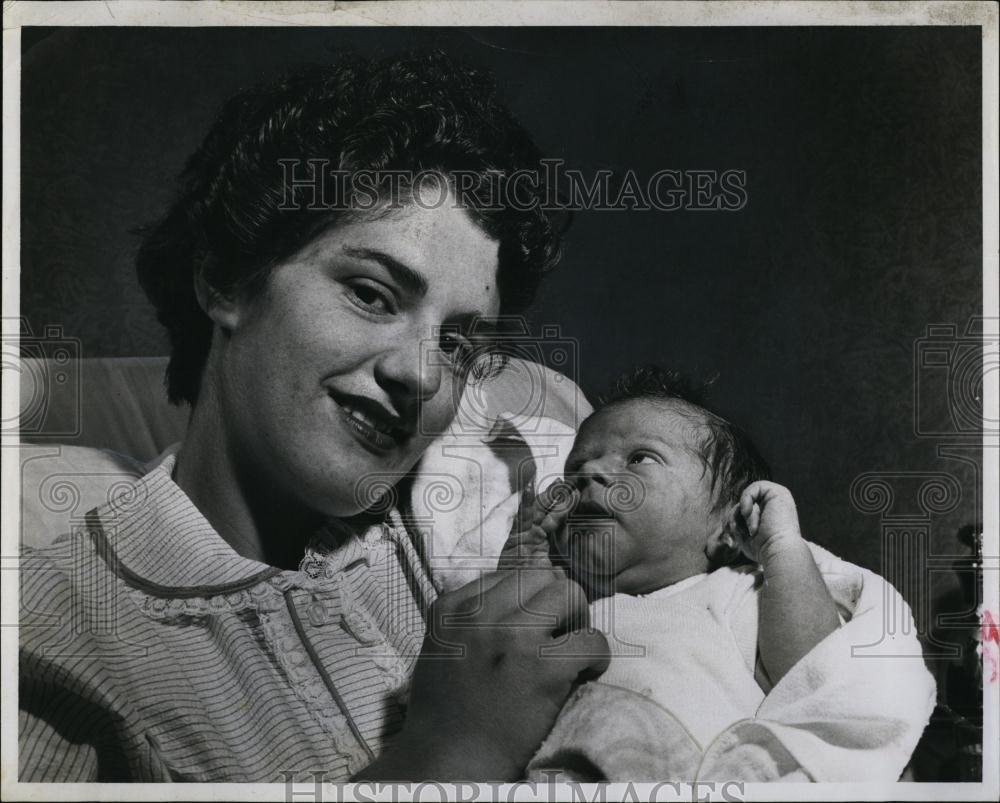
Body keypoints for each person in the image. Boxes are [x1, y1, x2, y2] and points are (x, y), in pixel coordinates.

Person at [18, 51, 609, 782]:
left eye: (458, 344)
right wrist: (456, 746)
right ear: (226, 280)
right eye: (371, 293)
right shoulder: (50, 644)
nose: (422, 373)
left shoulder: (469, 521)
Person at [501, 366, 937, 781]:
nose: (590, 474)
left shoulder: (733, 591)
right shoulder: (570, 600)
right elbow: (500, 665)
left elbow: (815, 674)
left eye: (639, 458)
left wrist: (781, 547)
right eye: (575, 471)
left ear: (727, 526)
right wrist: (527, 555)